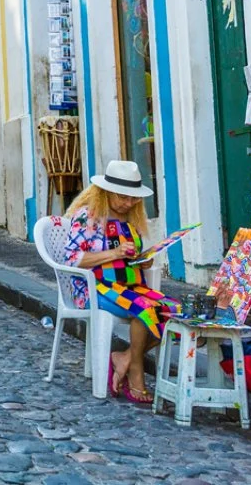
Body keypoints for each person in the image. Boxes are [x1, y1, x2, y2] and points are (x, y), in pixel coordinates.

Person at [62, 161, 176, 403]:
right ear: (107, 192)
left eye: (133, 199)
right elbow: (72, 259)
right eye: (123, 197)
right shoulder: (88, 217)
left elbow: (128, 258)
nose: (129, 203)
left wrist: (142, 261)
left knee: (175, 313)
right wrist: (115, 254)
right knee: (145, 309)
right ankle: (136, 376)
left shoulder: (130, 218)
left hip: (131, 286)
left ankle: (124, 357)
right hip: (95, 288)